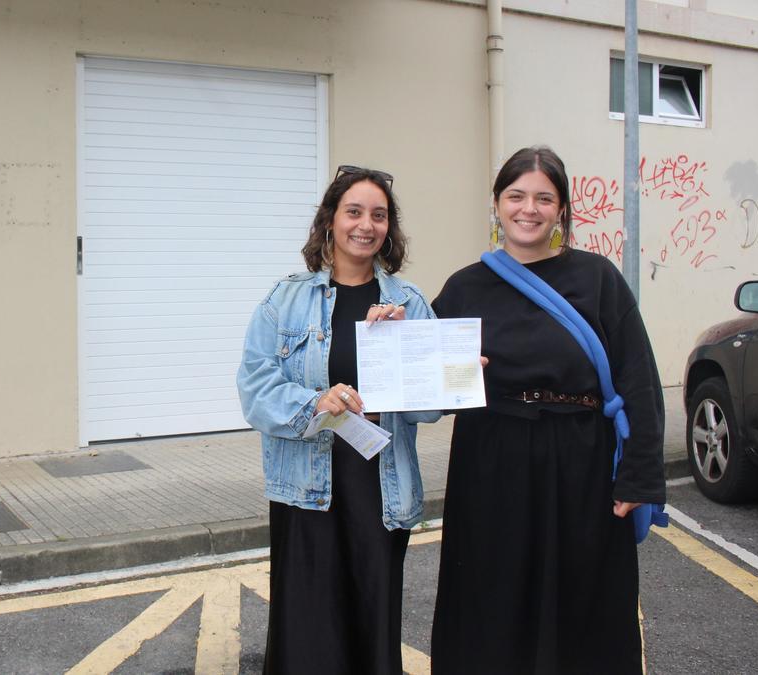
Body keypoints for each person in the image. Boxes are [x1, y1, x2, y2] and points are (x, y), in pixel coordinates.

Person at [429, 146, 666, 673]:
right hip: (491, 458)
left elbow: (640, 380)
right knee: (492, 594)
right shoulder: (465, 286)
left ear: (561, 210)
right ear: (496, 205)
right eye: (516, 196)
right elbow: (423, 379)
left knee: (584, 597)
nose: (528, 209)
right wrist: (390, 327)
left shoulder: (598, 279)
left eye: (543, 198)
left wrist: (639, 477)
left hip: (581, 459)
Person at [237, 166, 439, 673]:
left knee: (373, 624)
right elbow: (255, 388)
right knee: (307, 629)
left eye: (378, 214)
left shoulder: (408, 304)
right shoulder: (285, 300)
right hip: (307, 489)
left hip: (380, 489)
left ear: (389, 228)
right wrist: (314, 404)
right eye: (354, 212)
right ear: (330, 221)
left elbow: (430, 406)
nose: (365, 225)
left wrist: (403, 349)